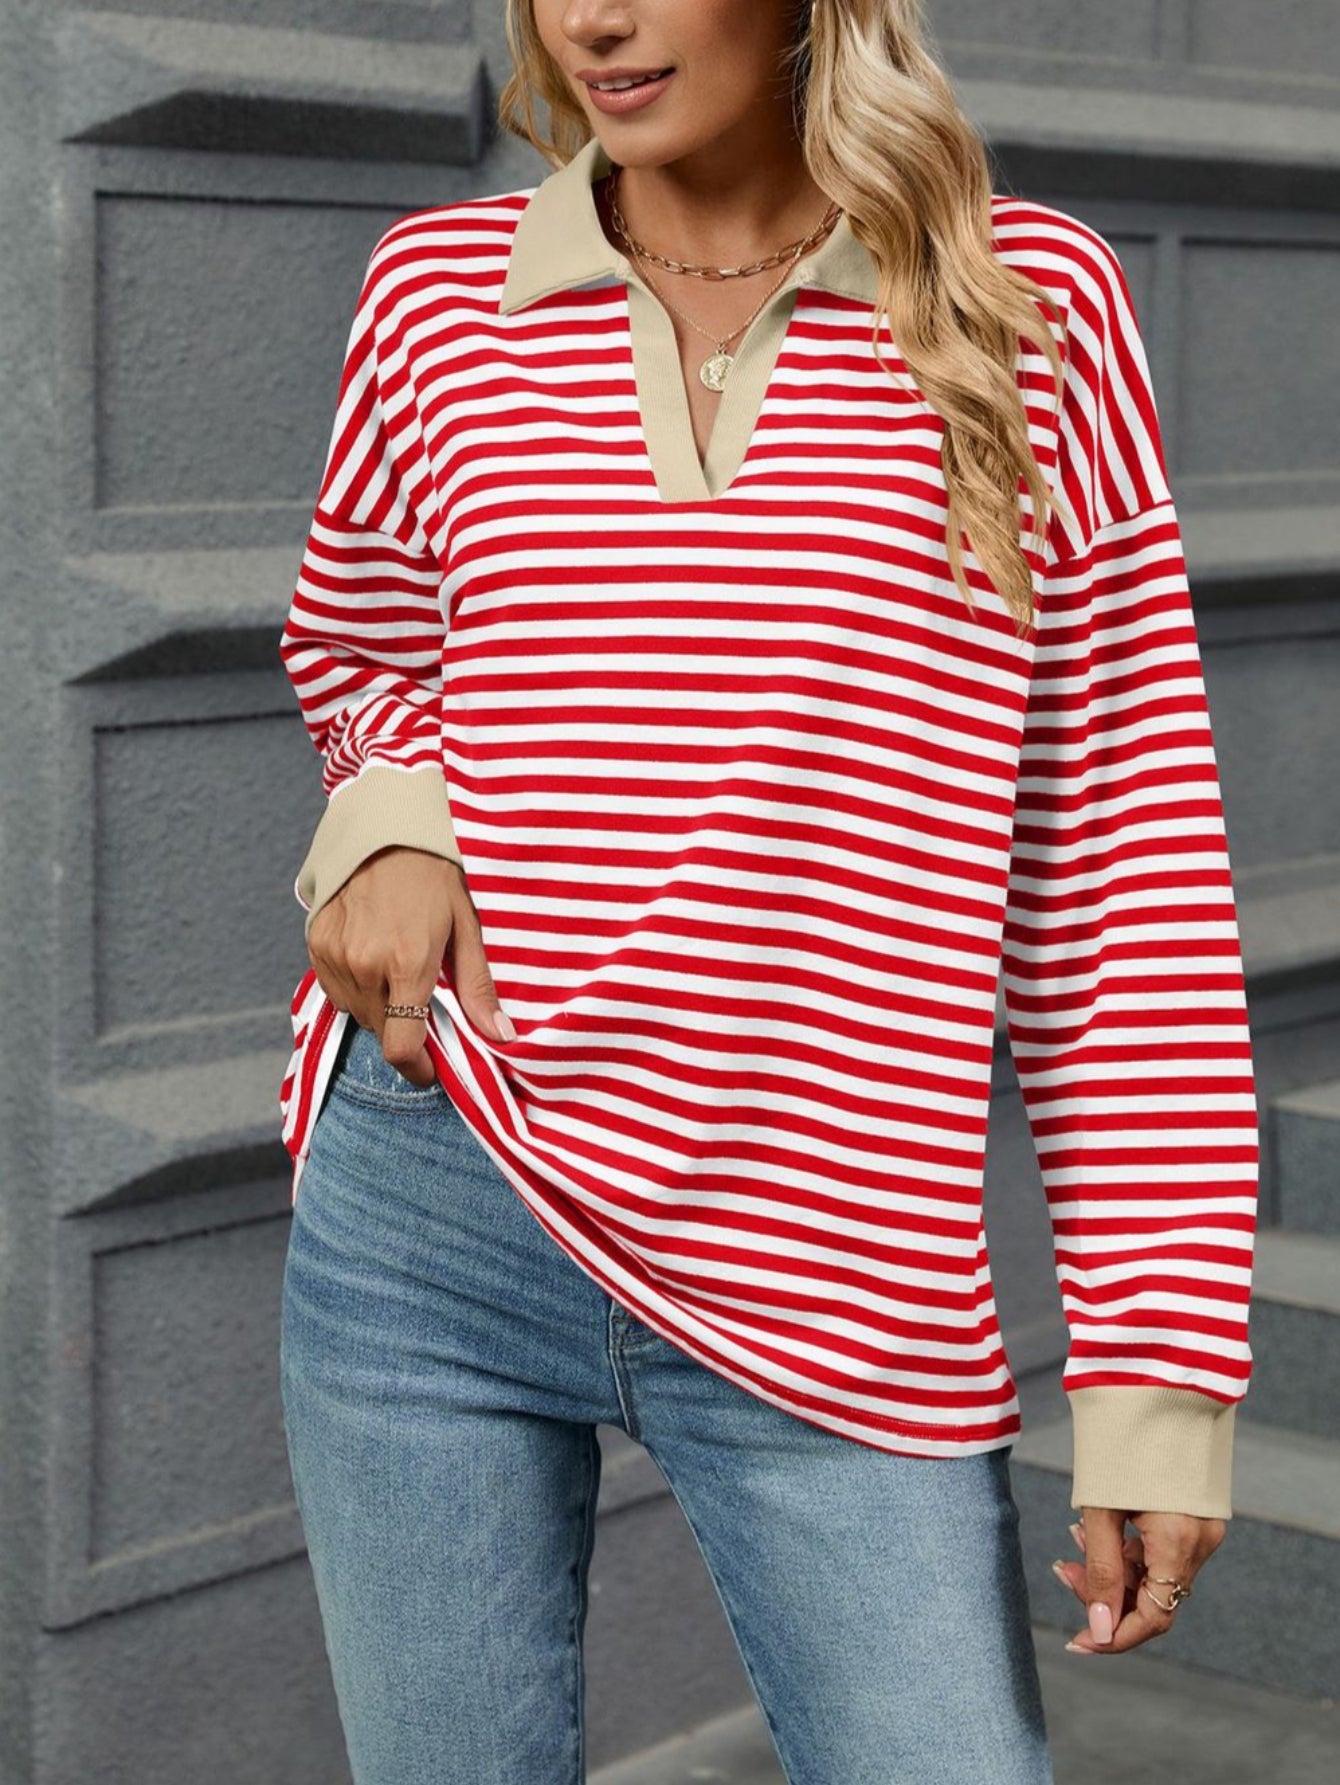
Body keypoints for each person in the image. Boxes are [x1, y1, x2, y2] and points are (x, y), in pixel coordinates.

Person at [276, 2, 1259, 1780]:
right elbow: (367, 649)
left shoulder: (1024, 304)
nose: (594, 17)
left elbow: (1122, 872)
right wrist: (395, 821)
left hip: (836, 1261)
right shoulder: (437, 295)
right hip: (434, 1201)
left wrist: (1154, 1383)